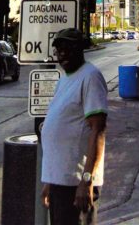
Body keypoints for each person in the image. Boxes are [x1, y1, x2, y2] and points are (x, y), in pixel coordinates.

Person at [41, 28, 108, 225]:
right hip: (60, 182)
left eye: (68, 49)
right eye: (59, 50)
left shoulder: (90, 76)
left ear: (80, 49)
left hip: (77, 183)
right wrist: (50, 181)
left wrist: (87, 180)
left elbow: (98, 130)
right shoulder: (65, 79)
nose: (62, 55)